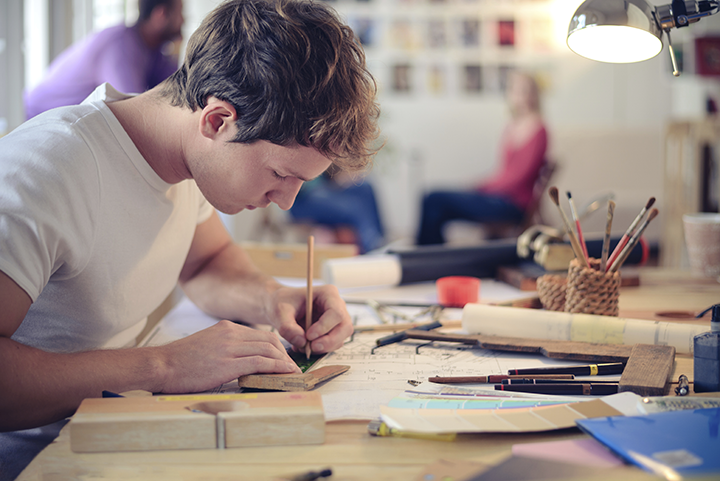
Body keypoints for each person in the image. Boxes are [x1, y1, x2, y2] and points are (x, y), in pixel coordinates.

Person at [0, 0, 380, 478]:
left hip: (122, 434)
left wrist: (276, 299)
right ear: (218, 121)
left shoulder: (186, 162)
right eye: (281, 174)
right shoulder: (47, 170)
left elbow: (207, 264)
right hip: (43, 461)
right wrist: (163, 367)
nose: (286, 202)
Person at [416, 71, 548, 245]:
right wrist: (482, 186)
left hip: (512, 204)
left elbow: (518, 178)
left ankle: (429, 258)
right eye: (515, 90)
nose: (520, 95)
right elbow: (504, 173)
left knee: (434, 199)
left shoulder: (539, 129)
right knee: (433, 204)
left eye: (525, 90)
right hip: (497, 196)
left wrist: (481, 187)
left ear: (533, 94)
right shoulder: (511, 127)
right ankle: (434, 259)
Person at [23, 0, 185, 119]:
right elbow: (135, 110)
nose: (184, 20)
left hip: (74, 120)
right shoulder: (119, 46)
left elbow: (171, 91)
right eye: (180, 12)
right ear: (161, 15)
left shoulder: (152, 48)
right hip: (40, 116)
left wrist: (176, 51)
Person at [288, 167, 385, 254]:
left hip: (323, 187)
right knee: (353, 209)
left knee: (365, 186)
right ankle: (371, 248)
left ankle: (378, 238)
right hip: (303, 198)